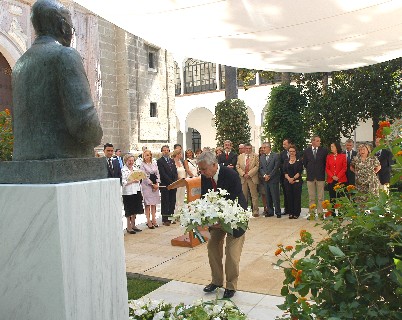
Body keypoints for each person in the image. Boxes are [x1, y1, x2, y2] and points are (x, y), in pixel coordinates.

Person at [12, 0, 103, 161]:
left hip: (24, 160)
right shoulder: (65, 55)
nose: (71, 31)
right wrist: (97, 136)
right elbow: (84, 122)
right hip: (67, 159)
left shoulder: (20, 64)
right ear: (63, 26)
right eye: (71, 26)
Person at [198, 151, 247, 299]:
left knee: (232, 254)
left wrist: (222, 220)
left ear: (214, 165)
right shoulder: (205, 176)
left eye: (204, 169)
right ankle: (217, 281)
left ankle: (231, 285)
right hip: (217, 220)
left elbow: (234, 200)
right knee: (212, 246)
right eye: (200, 169)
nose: (202, 172)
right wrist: (204, 216)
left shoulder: (230, 175)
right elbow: (204, 197)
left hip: (235, 217)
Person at [303, 135, 328, 217]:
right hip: (310, 177)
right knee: (311, 197)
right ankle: (312, 214)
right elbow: (305, 163)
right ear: (313, 141)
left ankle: (320, 213)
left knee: (321, 197)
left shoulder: (324, 151)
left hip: (320, 177)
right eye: (317, 141)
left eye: (319, 141)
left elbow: (325, 163)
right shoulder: (307, 151)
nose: (319, 142)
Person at [121, 154, 144, 234]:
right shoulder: (123, 170)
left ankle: (134, 225)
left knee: (135, 208)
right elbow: (123, 182)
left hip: (136, 190)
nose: (131, 162)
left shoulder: (135, 169)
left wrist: (138, 180)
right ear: (125, 161)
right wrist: (132, 181)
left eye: (132, 160)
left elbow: (140, 177)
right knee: (129, 209)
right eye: (129, 161)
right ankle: (129, 226)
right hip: (128, 192)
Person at [236, 143, 260, 217]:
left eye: (250, 148)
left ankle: (255, 211)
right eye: (247, 148)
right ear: (244, 149)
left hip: (252, 178)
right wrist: (243, 174)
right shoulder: (240, 156)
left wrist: (249, 174)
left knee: (254, 195)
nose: (248, 150)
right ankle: (243, 210)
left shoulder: (256, 156)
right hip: (243, 178)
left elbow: (257, 166)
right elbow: (238, 166)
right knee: (243, 195)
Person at [157, 145, 178, 226]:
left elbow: (175, 171)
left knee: (172, 201)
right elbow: (162, 173)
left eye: (167, 150)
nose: (166, 151)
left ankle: (171, 217)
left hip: (173, 184)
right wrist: (170, 182)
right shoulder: (160, 161)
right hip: (165, 185)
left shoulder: (172, 161)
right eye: (164, 150)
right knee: (165, 201)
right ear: (162, 151)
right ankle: (165, 219)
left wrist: (175, 181)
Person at [259, 142, 281, 218]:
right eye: (262, 148)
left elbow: (276, 168)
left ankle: (278, 212)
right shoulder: (261, 157)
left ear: (269, 148)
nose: (263, 149)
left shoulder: (275, 156)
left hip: (273, 179)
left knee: (275, 196)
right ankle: (270, 211)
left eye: (264, 148)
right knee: (268, 196)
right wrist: (264, 175)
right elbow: (261, 168)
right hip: (265, 180)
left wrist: (270, 176)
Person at [140, 150, 160, 229]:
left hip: (155, 185)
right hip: (147, 186)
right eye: (146, 155)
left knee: (154, 203)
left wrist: (157, 183)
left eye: (149, 155)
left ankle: (154, 219)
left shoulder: (154, 164)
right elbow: (144, 176)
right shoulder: (142, 165)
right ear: (143, 156)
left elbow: (158, 173)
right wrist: (151, 184)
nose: (148, 157)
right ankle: (148, 220)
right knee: (148, 204)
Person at [283, 145, 303, 219]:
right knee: (289, 197)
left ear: (295, 152)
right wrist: (289, 179)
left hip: (297, 181)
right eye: (290, 151)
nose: (291, 153)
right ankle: (290, 213)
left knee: (296, 197)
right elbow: (284, 172)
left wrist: (293, 178)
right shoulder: (285, 160)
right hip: (287, 181)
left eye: (293, 151)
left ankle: (296, 213)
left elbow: (299, 171)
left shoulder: (299, 160)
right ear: (288, 152)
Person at [279, 138, 291, 215]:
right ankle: (286, 209)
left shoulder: (295, 152)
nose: (284, 146)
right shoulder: (282, 154)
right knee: (286, 194)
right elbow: (280, 164)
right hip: (284, 177)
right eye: (283, 144)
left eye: (285, 144)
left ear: (290, 144)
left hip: (294, 176)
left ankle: (293, 209)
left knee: (293, 194)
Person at [172, 149, 186, 215]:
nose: (181, 155)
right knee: (176, 197)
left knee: (182, 196)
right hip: (177, 182)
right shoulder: (173, 161)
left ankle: (180, 212)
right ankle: (176, 213)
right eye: (180, 154)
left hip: (183, 181)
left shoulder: (181, 162)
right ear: (177, 154)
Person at [257, 146, 269, 215]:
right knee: (263, 194)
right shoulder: (257, 158)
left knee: (268, 194)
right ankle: (265, 208)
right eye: (260, 150)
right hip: (260, 178)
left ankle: (269, 207)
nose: (262, 151)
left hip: (268, 177)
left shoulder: (267, 157)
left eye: (263, 150)